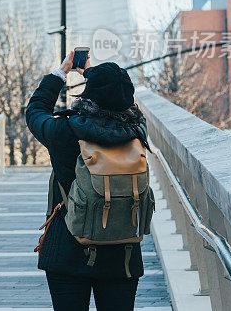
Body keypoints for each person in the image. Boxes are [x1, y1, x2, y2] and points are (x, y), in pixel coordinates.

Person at [25, 50, 149, 311]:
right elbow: (126, 104)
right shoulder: (137, 131)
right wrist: (94, 74)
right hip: (122, 256)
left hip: (67, 251)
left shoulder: (66, 131)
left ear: (89, 93)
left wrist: (62, 72)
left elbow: (35, 110)